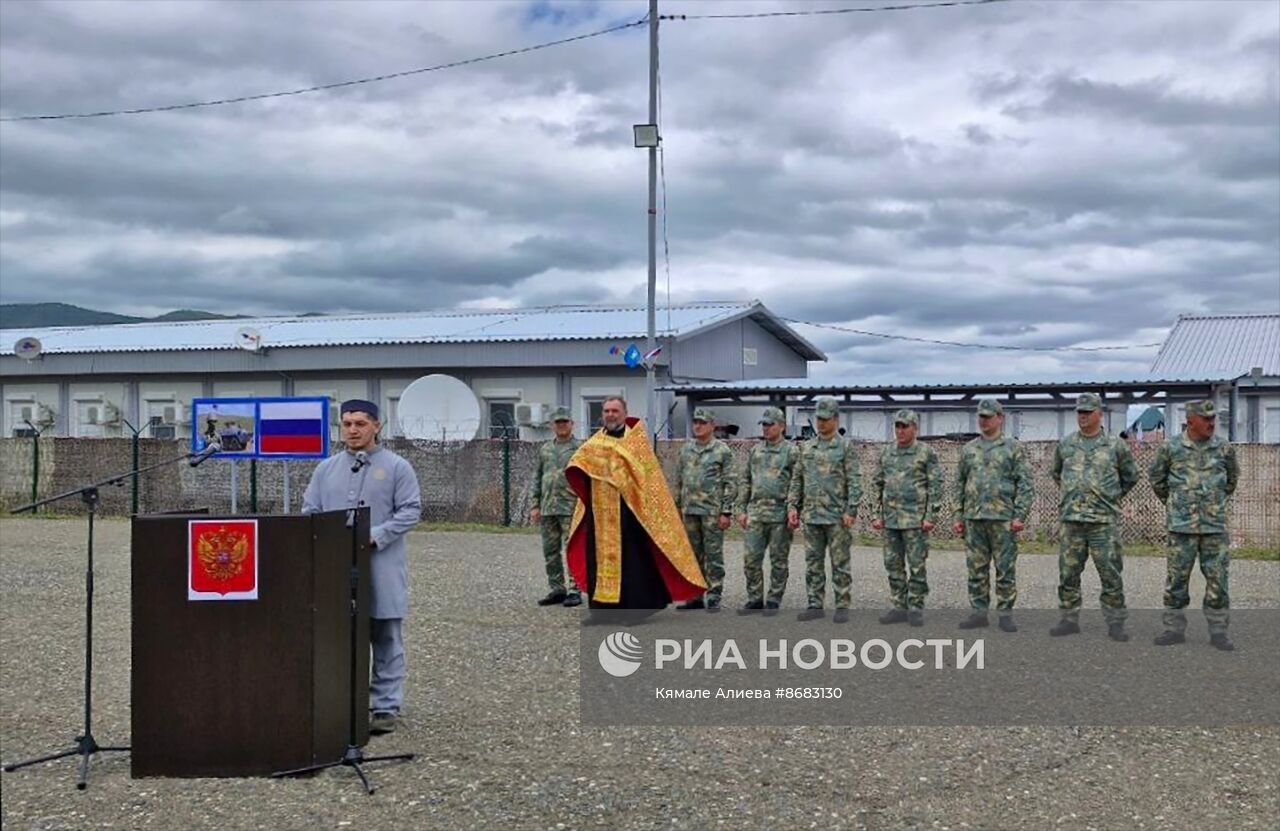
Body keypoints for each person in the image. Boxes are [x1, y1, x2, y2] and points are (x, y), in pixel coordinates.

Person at [302, 399, 421, 735]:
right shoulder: (326, 469)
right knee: (338, 636)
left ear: (377, 426)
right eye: (347, 424)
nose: (352, 430)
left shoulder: (397, 467)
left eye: (360, 424)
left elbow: (410, 511)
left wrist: (376, 536)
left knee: (384, 635)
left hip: (381, 566)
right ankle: (340, 701)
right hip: (335, 568)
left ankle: (384, 706)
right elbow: (310, 509)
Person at [563, 396, 705, 614]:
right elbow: (578, 467)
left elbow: (647, 479)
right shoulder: (593, 444)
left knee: (631, 563)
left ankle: (632, 611)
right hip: (599, 514)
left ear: (624, 413)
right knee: (597, 564)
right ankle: (602, 611)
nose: (610, 415)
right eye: (607, 411)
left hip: (629, 512)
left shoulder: (635, 442)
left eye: (615, 411)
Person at [1149, 399, 1240, 651]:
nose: (1212, 423)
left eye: (1213, 419)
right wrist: (1176, 504)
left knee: (1218, 582)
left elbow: (1231, 480)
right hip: (1181, 528)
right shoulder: (1171, 448)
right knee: (1176, 581)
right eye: (1206, 419)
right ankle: (1173, 629)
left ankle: (1219, 631)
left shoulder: (1223, 448)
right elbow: (1158, 480)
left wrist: (1213, 504)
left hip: (1214, 527)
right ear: (1190, 421)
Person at [1050, 392, 1139, 641]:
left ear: (1100, 414)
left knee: (1110, 574)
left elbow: (1130, 476)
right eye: (1079, 412)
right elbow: (1057, 474)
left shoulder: (1114, 445)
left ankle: (1115, 623)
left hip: (1103, 522)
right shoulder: (1066, 445)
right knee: (1068, 573)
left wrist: (1109, 496)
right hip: (1072, 521)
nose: (1083, 416)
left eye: (1088, 412)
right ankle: (1068, 619)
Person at [953, 399, 1034, 632]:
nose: (984, 421)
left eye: (988, 416)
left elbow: (1026, 484)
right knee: (976, 569)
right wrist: (958, 515)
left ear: (1000, 418)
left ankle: (1005, 614)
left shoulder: (1013, 448)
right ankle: (979, 613)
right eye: (981, 416)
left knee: (1005, 568)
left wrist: (1020, 515)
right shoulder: (969, 449)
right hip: (974, 518)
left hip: (1003, 519)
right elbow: (959, 484)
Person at [787, 396, 861, 623]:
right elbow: (797, 479)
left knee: (840, 563)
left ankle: (842, 605)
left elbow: (854, 481)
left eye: (826, 419)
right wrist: (792, 505)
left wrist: (851, 510)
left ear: (836, 419)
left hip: (837, 516)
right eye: (818, 418)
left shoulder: (846, 447)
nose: (821, 423)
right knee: (813, 563)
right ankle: (814, 604)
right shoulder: (807, 447)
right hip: (812, 515)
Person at [870, 409, 943, 627]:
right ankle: (898, 607)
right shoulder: (887, 453)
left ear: (915, 428)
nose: (900, 431)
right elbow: (877, 483)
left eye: (905, 426)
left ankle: (916, 608)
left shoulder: (926, 453)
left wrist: (931, 515)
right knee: (893, 565)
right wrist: (876, 513)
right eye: (897, 427)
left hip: (915, 521)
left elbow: (935, 486)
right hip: (891, 520)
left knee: (917, 566)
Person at [674, 407, 738, 612]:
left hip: (712, 511)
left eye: (702, 422)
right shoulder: (686, 450)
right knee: (692, 556)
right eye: (695, 422)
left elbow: (731, 482)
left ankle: (714, 595)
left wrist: (726, 512)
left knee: (713, 555)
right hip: (689, 510)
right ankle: (695, 595)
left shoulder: (721, 451)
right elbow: (679, 481)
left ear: (712, 425)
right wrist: (676, 507)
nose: (698, 426)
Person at [735, 407, 796, 615]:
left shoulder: (792, 451)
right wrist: (741, 509)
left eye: (770, 424)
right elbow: (745, 480)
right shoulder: (756, 451)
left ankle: (773, 600)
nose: (766, 428)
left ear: (782, 426)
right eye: (764, 424)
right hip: (756, 512)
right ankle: (754, 599)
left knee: (778, 560)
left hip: (779, 513)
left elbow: (798, 483)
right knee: (751, 558)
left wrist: (793, 509)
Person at [529, 406, 583, 608]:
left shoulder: (580, 448)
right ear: (552, 425)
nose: (562, 426)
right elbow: (538, 477)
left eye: (565, 422)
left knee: (573, 550)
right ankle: (557, 588)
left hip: (571, 507)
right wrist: (535, 504)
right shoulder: (546, 449)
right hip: (548, 507)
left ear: (572, 424)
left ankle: (575, 589)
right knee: (550, 551)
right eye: (558, 423)